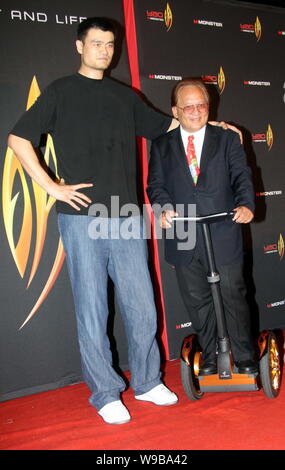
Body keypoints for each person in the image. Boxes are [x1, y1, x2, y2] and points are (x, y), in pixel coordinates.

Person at [8, 18, 241, 425]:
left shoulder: (124, 96)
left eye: (110, 44)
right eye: (96, 43)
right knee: (93, 310)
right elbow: (18, 138)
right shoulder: (61, 91)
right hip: (83, 217)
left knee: (142, 307)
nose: (104, 50)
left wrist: (212, 128)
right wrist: (52, 186)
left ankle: (149, 382)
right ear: (80, 46)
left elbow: (170, 126)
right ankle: (104, 393)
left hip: (128, 215)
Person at [147, 78, 258, 377]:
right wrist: (163, 207)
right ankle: (210, 356)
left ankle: (246, 355)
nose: (196, 111)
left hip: (223, 229)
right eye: (188, 106)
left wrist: (247, 204)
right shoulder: (161, 145)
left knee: (233, 294)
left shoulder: (227, 139)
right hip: (183, 233)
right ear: (175, 110)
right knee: (197, 300)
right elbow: (155, 185)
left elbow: (241, 177)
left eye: (202, 105)